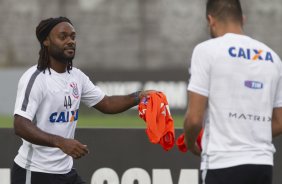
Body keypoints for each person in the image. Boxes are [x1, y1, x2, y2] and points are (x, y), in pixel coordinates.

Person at [11, 17, 154, 184]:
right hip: (35, 173)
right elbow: (20, 125)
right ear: (46, 42)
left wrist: (138, 96)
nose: (70, 41)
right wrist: (60, 142)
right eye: (63, 37)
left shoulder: (77, 77)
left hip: (65, 172)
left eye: (73, 36)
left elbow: (106, 103)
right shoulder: (36, 78)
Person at [183, 0, 282, 184]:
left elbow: (194, 119)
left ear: (211, 20)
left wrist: (191, 144)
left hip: (221, 163)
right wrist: (248, 133)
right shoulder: (273, 58)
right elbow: (279, 121)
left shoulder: (206, 51)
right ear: (242, 20)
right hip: (262, 165)